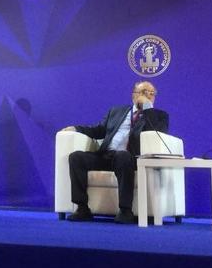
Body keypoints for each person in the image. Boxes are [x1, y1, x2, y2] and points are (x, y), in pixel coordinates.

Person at [63, 81, 169, 224]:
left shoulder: (160, 116)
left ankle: (125, 210)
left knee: (122, 155)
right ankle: (82, 208)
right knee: (76, 157)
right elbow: (99, 130)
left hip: (131, 158)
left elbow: (156, 132)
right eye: (144, 92)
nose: (148, 96)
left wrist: (147, 108)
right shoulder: (116, 111)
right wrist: (76, 129)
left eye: (152, 93)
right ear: (134, 95)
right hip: (106, 155)